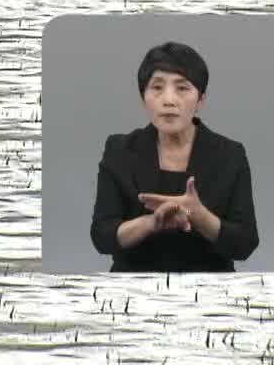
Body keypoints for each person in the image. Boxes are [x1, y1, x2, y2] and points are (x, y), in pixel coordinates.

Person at [90, 41, 259, 271]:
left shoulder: (230, 155)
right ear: (143, 98)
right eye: (157, 87)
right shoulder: (119, 150)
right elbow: (102, 236)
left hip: (209, 292)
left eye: (182, 88)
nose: (168, 100)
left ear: (200, 100)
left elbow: (245, 243)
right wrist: (151, 223)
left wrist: (197, 215)